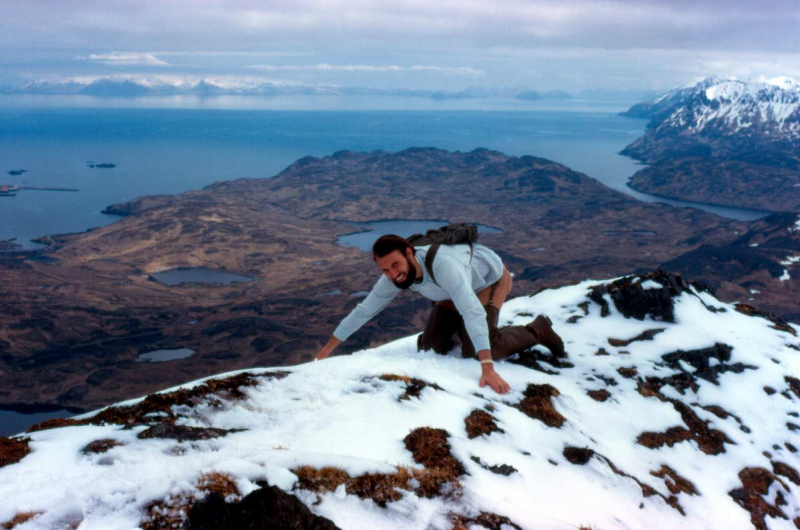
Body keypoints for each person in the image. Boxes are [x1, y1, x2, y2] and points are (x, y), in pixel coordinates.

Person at [314, 234, 565, 394]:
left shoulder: (443, 266)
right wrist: (324, 353)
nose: (392, 274)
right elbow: (363, 311)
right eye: (385, 270)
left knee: (474, 349)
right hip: (450, 290)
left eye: (395, 265)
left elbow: (472, 311)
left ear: (409, 253)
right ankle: (463, 332)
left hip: (488, 280)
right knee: (430, 346)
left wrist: (487, 368)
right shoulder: (395, 276)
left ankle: (538, 330)